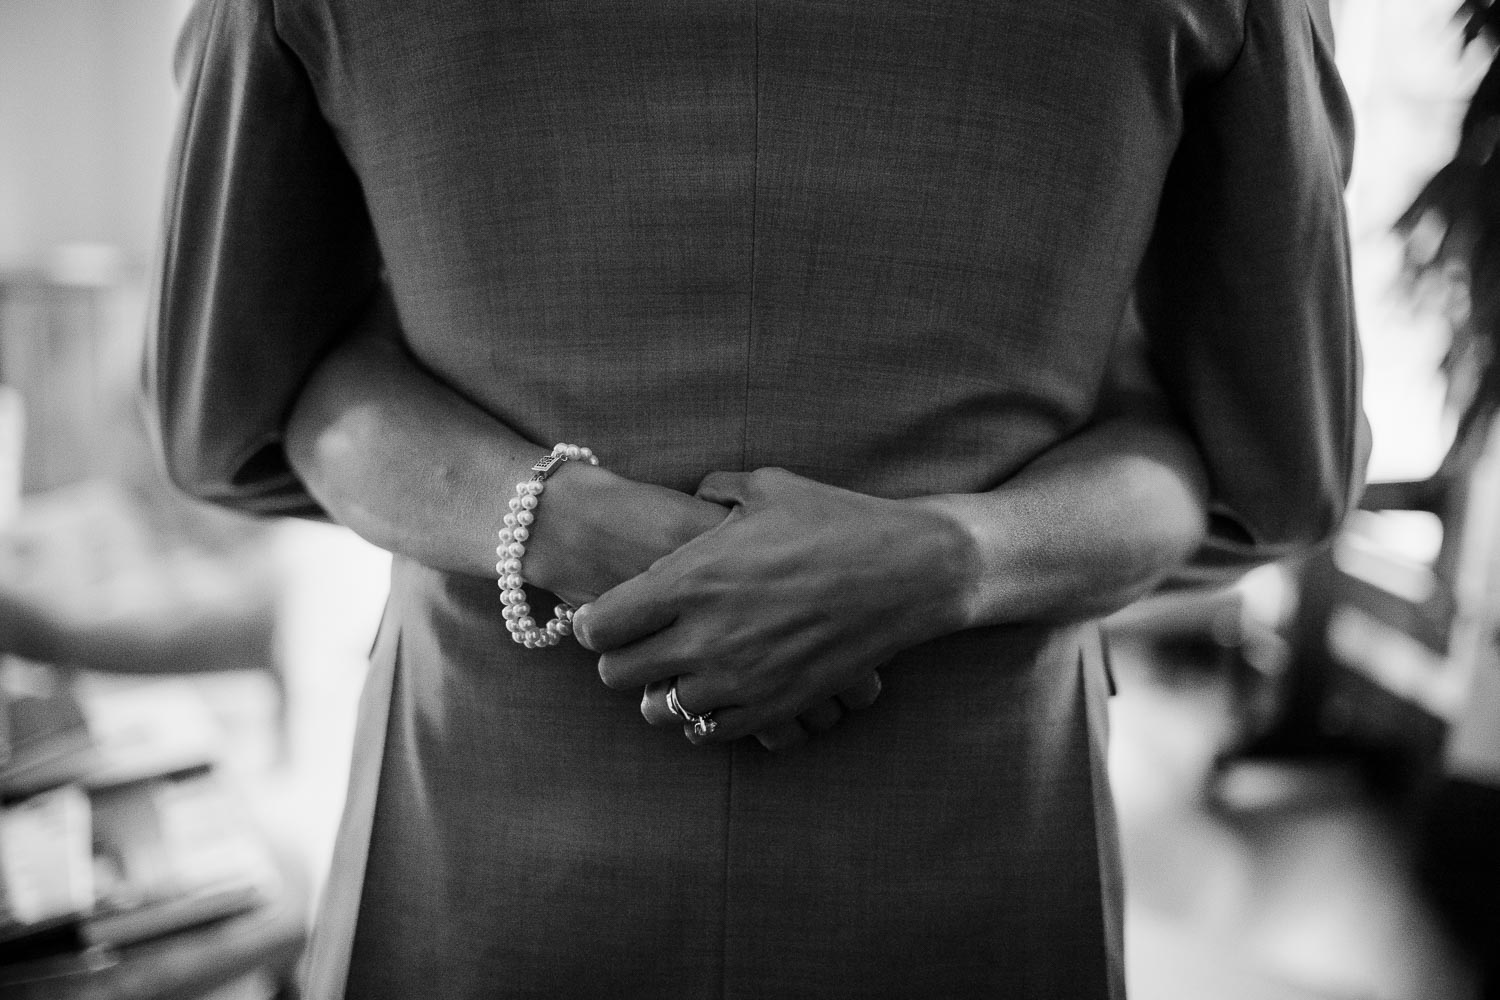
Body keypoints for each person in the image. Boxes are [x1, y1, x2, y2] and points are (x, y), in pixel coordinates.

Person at [145, 1, 1366, 997]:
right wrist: (970, 551)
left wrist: (537, 518)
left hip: (480, 848)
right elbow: (1280, 474)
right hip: (968, 853)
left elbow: (230, 416)